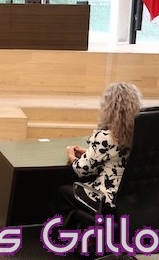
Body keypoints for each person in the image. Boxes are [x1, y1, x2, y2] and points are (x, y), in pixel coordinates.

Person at [51, 83, 142, 221]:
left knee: (62, 192)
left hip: (106, 201)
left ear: (109, 109)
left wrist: (71, 155)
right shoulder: (139, 134)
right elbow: (116, 158)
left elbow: (82, 170)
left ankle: (62, 230)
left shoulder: (105, 137)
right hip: (131, 200)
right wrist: (89, 153)